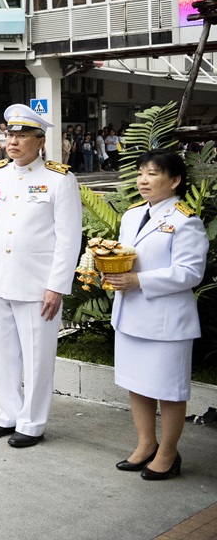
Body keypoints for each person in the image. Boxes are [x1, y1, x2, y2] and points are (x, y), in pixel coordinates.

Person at [0, 104, 81, 448]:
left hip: (37, 285)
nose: (13, 142)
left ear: (40, 140)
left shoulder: (59, 178)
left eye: (22, 136)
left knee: (36, 357)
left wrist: (57, 285)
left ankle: (32, 423)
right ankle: (6, 414)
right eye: (9, 135)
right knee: (0, 352)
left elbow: (68, 238)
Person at [106, 150, 208, 481]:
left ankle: (168, 452)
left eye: (152, 174)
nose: (142, 180)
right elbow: (122, 256)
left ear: (175, 180)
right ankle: (146, 443)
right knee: (138, 383)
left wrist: (138, 280)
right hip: (131, 313)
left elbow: (190, 273)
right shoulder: (132, 215)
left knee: (169, 388)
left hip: (166, 321)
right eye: (140, 173)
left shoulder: (185, 220)